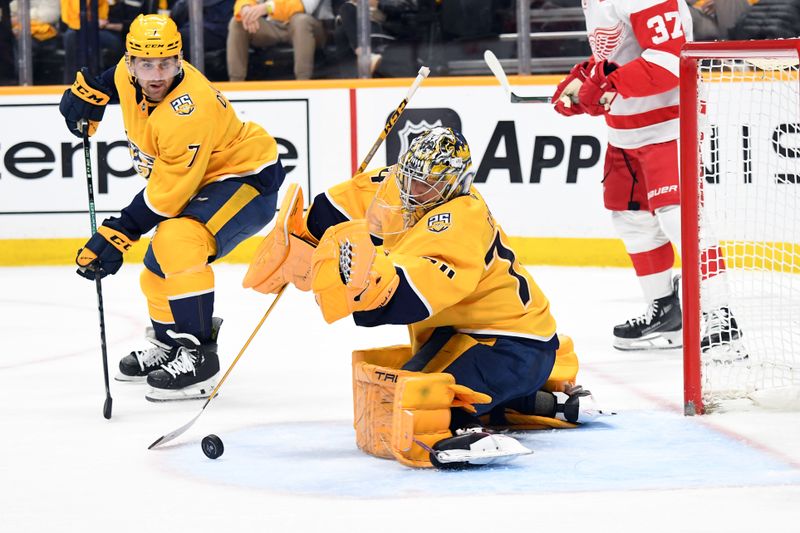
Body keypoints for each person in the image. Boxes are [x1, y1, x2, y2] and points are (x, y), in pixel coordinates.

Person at [243, 127, 587, 468]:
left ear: (455, 183)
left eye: (426, 185)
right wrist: (302, 237)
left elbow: (413, 296)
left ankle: (463, 426)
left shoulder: (459, 220)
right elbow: (342, 204)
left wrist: (360, 282)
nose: (413, 190)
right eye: (409, 177)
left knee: (413, 407)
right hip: (469, 338)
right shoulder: (405, 183)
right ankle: (542, 401)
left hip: (513, 347)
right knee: (404, 392)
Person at [59, 14, 285, 401]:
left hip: (246, 179)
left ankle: (199, 357)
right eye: (146, 64)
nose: (157, 73)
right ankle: (169, 344)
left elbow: (165, 198)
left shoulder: (188, 110)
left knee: (177, 239)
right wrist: (91, 93)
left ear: (180, 60)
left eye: (166, 62)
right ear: (130, 63)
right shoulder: (128, 74)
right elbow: (110, 80)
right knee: (156, 268)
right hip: (204, 180)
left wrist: (116, 234)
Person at [551, 0, 740, 351]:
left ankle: (720, 315)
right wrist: (580, 82)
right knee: (631, 220)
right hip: (625, 131)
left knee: (679, 218)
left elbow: (670, 58)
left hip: (670, 125)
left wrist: (604, 87)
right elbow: (619, 52)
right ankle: (666, 313)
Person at [226, 0, 332, 81]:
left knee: (300, 21)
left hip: (313, 25)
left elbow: (303, 6)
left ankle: (303, 83)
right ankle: (236, 85)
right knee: (238, 22)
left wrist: (269, 7)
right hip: (275, 25)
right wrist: (246, 8)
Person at [60, 0, 124, 83]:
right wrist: (91, 22)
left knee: (114, 43)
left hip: (100, 28)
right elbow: (70, 17)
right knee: (71, 37)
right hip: (77, 28)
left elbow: (103, 16)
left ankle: (108, 82)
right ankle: (71, 83)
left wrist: (100, 22)